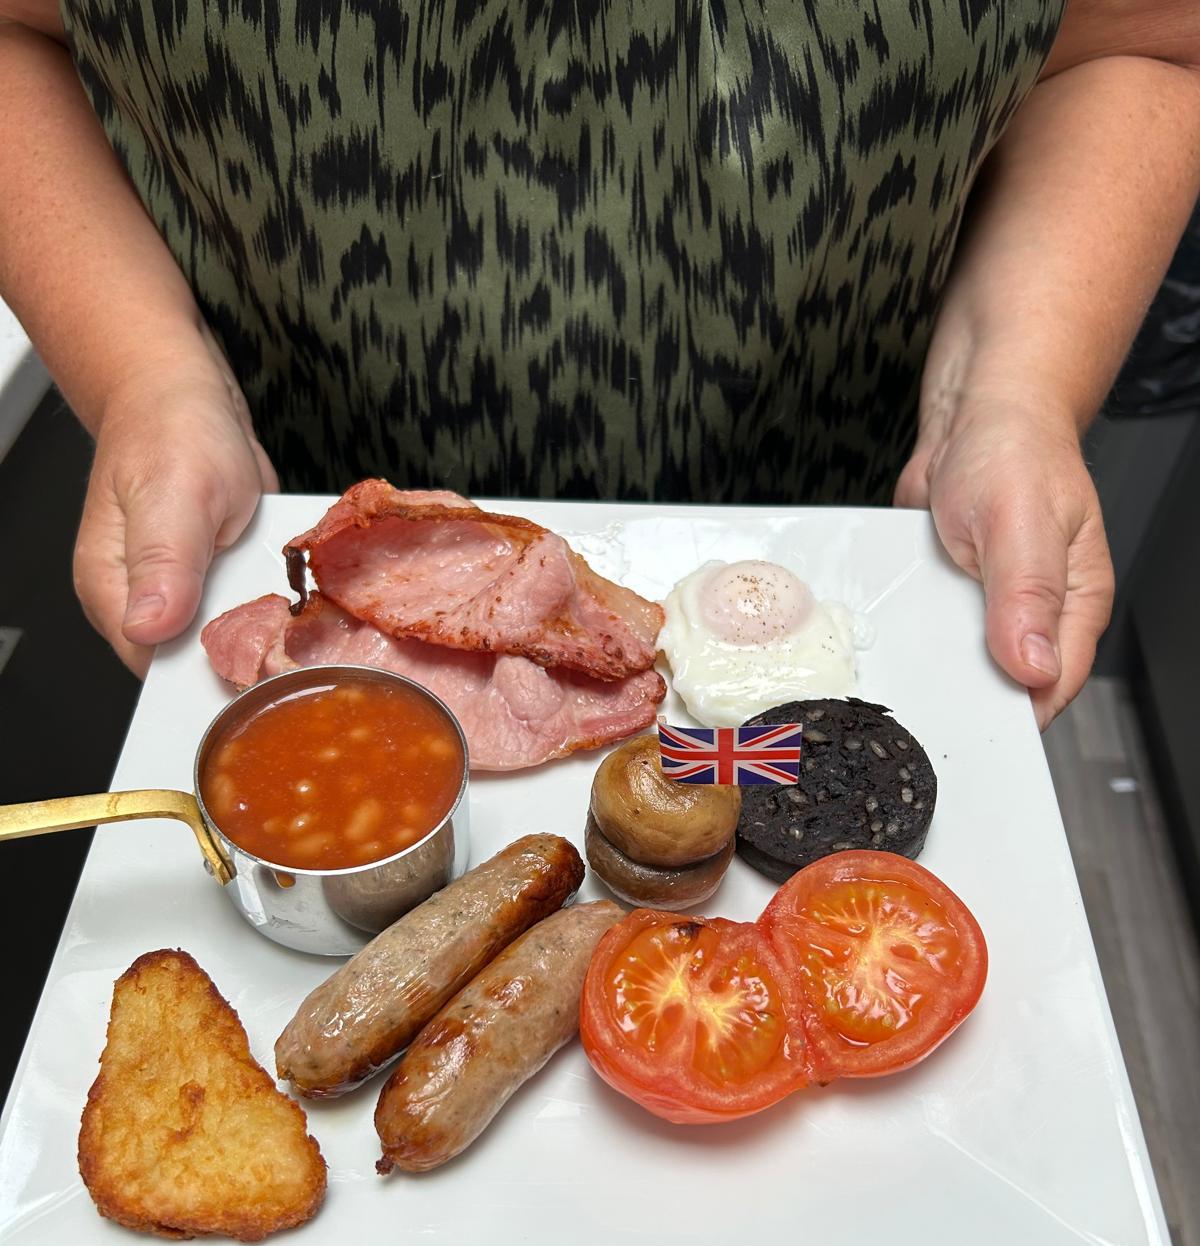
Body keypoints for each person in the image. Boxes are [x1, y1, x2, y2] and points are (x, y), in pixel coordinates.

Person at [1, 2, 1197, 726]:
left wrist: (1009, 386)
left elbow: (1142, 39)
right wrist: (152, 378)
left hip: (852, 553)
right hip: (293, 535)